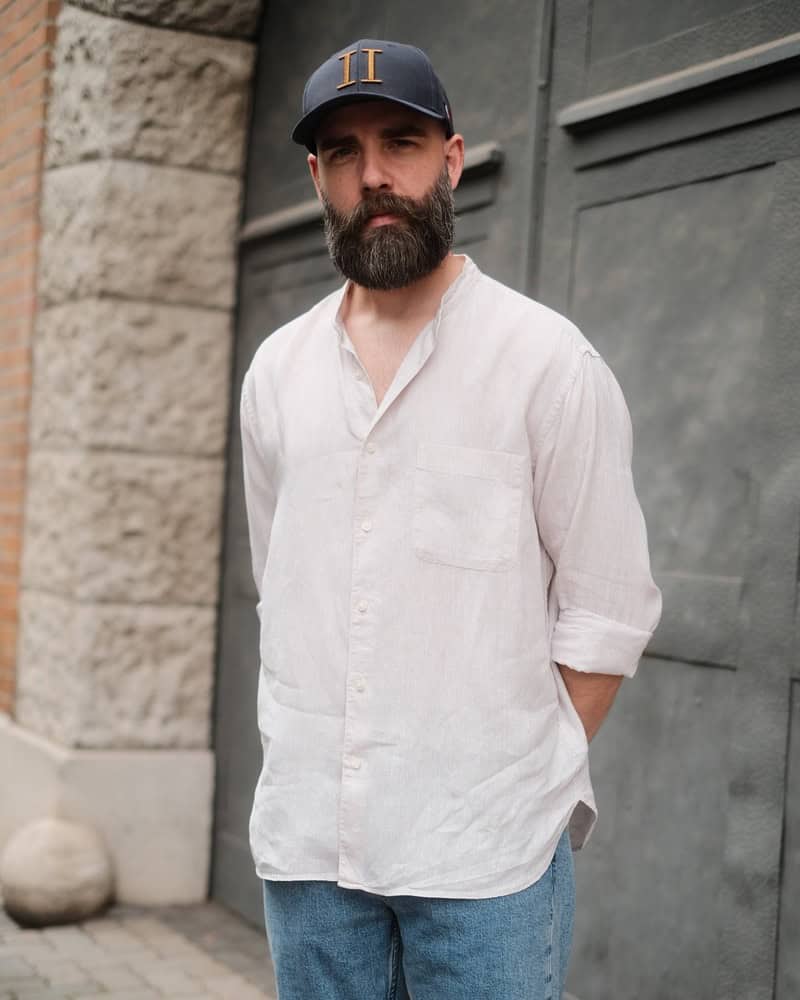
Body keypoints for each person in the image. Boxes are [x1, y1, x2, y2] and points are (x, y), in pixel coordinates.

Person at [240, 38, 662, 1000]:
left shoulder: (545, 362)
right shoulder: (277, 375)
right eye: (343, 153)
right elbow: (287, 584)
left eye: (402, 142)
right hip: (310, 851)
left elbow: (608, 608)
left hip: (486, 863)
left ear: (453, 158)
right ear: (317, 176)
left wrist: (506, 775)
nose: (375, 174)